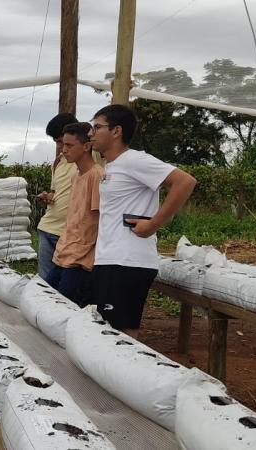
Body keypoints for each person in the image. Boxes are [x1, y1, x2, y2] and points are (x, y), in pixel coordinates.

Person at [88, 104, 197, 335]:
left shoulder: (134, 160)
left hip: (127, 261)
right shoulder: (112, 165)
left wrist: (154, 223)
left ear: (116, 131)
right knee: (107, 329)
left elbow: (185, 181)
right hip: (109, 258)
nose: (91, 133)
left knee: (121, 332)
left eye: (97, 127)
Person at [44, 122, 102, 307]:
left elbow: (100, 221)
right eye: (63, 145)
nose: (63, 150)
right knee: (47, 299)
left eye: (69, 145)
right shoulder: (76, 176)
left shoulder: (97, 176)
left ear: (86, 146)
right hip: (65, 251)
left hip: (81, 258)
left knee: (66, 307)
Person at [35, 113, 79, 279]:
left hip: (71, 234)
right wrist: (47, 196)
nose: (61, 147)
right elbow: (56, 192)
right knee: (45, 284)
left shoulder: (92, 157)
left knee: (67, 285)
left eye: (64, 142)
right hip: (47, 228)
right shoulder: (58, 162)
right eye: (58, 142)